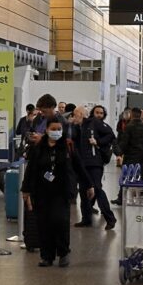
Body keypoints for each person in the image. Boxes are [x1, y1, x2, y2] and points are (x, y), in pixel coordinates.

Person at [20, 118, 92, 267]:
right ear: (46, 130)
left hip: (62, 191)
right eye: (53, 129)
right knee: (44, 224)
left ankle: (63, 253)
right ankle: (46, 256)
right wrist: (25, 190)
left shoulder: (68, 146)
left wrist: (89, 185)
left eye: (59, 129)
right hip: (41, 192)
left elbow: (79, 167)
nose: (57, 132)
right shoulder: (38, 147)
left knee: (60, 221)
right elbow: (31, 170)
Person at [70, 106, 117, 229]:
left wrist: (98, 141)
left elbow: (111, 135)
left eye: (75, 115)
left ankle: (110, 218)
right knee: (83, 190)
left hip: (94, 162)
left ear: (81, 114)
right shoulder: (77, 127)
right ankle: (86, 219)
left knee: (97, 188)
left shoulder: (94, 123)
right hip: (82, 163)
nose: (74, 117)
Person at [111, 107, 143, 205]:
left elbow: (124, 142)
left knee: (125, 177)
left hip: (130, 155)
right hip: (142, 155)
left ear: (131, 114)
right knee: (140, 177)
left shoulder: (129, 126)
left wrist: (118, 152)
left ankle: (121, 198)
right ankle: (141, 198)